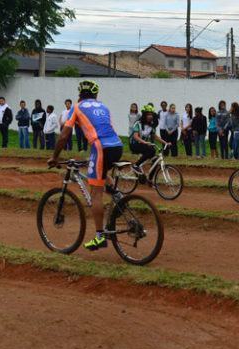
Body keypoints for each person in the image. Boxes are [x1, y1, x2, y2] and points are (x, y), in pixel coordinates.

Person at [47, 80, 124, 251]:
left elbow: (64, 135)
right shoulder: (103, 107)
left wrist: (54, 157)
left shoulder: (77, 107)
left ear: (80, 94)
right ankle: (118, 195)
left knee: (95, 193)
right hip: (117, 145)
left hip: (100, 147)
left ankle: (99, 237)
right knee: (99, 170)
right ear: (96, 95)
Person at [130, 104, 170, 173]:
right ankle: (136, 165)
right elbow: (135, 136)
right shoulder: (138, 124)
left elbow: (155, 136)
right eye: (148, 114)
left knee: (155, 160)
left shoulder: (151, 125)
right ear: (144, 115)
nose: (150, 116)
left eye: (151, 114)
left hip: (143, 144)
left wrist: (165, 143)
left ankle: (150, 180)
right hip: (134, 144)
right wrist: (144, 142)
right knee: (151, 150)